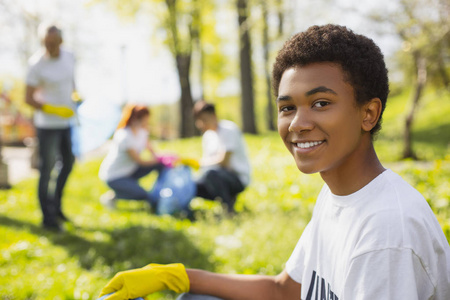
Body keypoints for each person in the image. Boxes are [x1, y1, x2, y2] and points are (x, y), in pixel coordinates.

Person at [98, 25, 450, 300]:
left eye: (321, 103)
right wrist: (179, 276)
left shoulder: (386, 234)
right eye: (287, 108)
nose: (298, 123)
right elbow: (284, 291)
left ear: (368, 113)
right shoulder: (337, 196)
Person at [25, 24, 77, 231]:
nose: (50, 47)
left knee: (68, 163)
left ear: (61, 42)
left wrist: (75, 97)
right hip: (47, 124)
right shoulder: (36, 64)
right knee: (46, 169)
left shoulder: (70, 57)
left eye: (53, 43)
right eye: (46, 43)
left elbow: (71, 83)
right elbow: (28, 98)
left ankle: (56, 206)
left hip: (66, 122)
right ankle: (48, 218)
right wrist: (50, 108)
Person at [98, 104, 164, 209]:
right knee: (143, 195)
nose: (147, 121)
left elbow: (151, 150)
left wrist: (163, 159)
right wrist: (158, 160)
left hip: (131, 170)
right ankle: (112, 197)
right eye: (145, 119)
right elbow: (139, 161)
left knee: (160, 165)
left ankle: (160, 191)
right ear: (136, 119)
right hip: (115, 176)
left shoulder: (142, 132)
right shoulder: (124, 136)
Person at [192, 100, 251, 213]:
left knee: (211, 174)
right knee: (193, 185)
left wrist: (198, 163)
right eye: (199, 120)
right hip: (217, 176)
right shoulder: (208, 136)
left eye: (204, 119)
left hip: (237, 178)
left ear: (213, 116)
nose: (201, 124)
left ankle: (229, 209)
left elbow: (224, 162)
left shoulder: (228, 130)